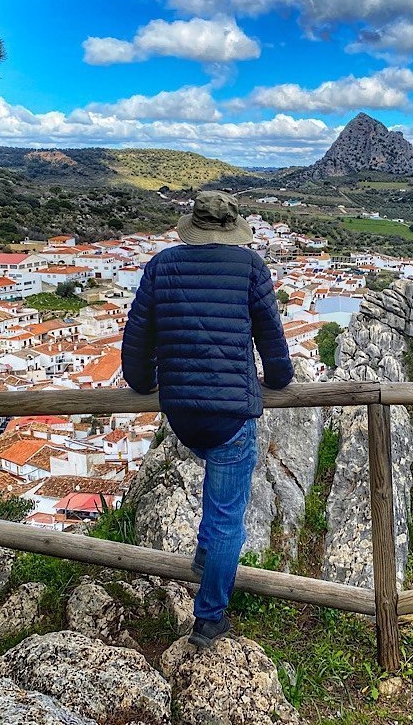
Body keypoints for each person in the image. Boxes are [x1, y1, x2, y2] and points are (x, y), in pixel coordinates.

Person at [121, 190, 293, 648]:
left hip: (180, 413)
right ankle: (210, 618)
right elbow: (272, 339)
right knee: (226, 519)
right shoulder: (251, 268)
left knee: (215, 512)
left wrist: (142, 384)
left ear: (192, 226)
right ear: (232, 228)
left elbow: (137, 336)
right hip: (231, 416)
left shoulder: (161, 267)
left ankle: (203, 559)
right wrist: (279, 377)